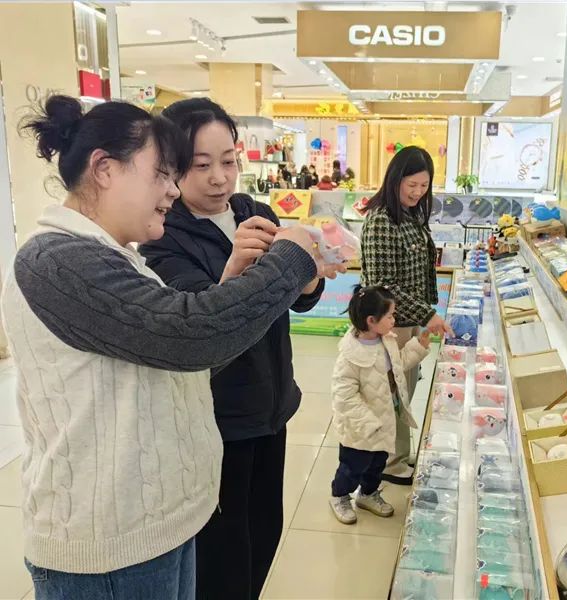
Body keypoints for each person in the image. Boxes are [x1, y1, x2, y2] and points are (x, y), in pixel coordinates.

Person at [1, 94, 329, 600]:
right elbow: (191, 335)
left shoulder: (115, 256)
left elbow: (184, 356)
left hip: (153, 526)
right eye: (163, 174)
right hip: (110, 548)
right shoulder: (58, 261)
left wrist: (276, 278)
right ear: (105, 169)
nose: (172, 190)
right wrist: (291, 261)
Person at [138, 98, 340, 600]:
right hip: (216, 421)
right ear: (172, 167)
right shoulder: (162, 238)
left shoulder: (257, 213)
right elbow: (196, 327)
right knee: (223, 557)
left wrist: (310, 276)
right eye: (200, 165)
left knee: (264, 534)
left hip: (272, 408)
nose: (219, 178)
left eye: (228, 161)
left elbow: (299, 302)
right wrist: (233, 269)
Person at [361, 146, 453, 485]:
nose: (417, 192)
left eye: (424, 186)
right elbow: (383, 286)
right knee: (393, 394)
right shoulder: (381, 220)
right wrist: (427, 314)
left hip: (409, 321)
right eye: (411, 185)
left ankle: (397, 453)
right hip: (390, 325)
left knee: (403, 391)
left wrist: (424, 315)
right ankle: (390, 462)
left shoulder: (410, 214)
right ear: (395, 179)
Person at [329, 285, 430, 524]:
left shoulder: (387, 340)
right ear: (371, 321)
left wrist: (419, 345)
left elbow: (398, 364)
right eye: (390, 316)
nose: (394, 320)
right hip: (360, 429)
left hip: (384, 420)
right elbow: (344, 397)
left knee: (377, 465)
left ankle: (368, 494)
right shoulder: (349, 356)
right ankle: (339, 496)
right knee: (352, 467)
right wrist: (369, 423)